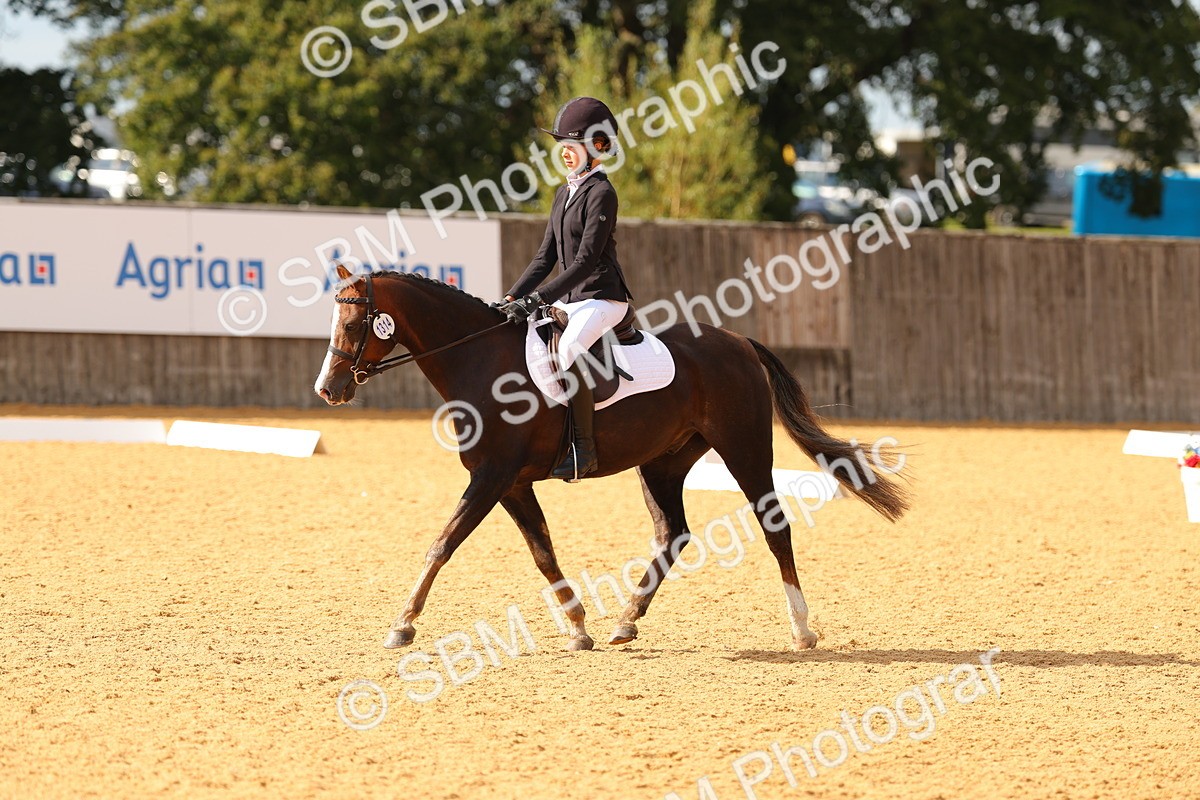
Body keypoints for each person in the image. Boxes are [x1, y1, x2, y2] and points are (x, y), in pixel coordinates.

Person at [499, 96, 633, 482]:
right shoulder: (564, 193)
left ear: (596, 147)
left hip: (603, 298)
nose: (565, 154)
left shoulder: (601, 193)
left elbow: (585, 262)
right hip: (571, 299)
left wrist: (538, 299)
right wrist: (510, 298)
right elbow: (545, 258)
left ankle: (584, 451)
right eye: (562, 147)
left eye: (571, 147)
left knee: (571, 347)